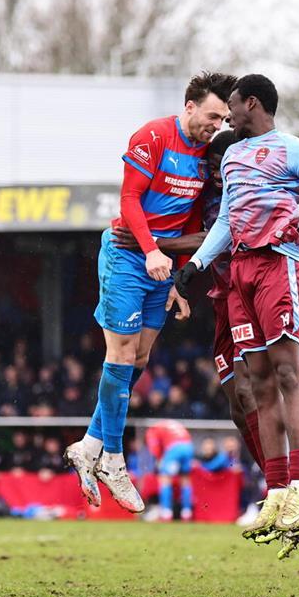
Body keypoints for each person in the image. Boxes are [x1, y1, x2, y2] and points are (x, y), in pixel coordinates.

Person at [174, 74, 299, 558]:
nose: (227, 113)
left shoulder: (295, 151)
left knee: (288, 373)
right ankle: (276, 491)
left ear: (252, 102)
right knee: (256, 383)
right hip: (241, 273)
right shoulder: (232, 155)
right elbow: (230, 219)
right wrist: (195, 264)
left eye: (232, 103)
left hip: (278, 264)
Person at [64, 71, 236, 513]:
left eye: (222, 120)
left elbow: (191, 225)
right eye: (212, 116)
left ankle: (88, 445)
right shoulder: (154, 136)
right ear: (190, 105)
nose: (215, 126)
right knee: (120, 356)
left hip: (160, 266)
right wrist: (149, 251)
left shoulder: (207, 157)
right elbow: (129, 200)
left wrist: (176, 279)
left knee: (139, 359)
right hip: (127, 254)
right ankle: (114, 460)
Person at [113, 130, 265, 477]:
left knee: (251, 389)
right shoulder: (207, 191)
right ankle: (274, 482)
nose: (213, 173)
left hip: (253, 297)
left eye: (218, 165)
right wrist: (177, 279)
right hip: (223, 299)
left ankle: (282, 483)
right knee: (236, 403)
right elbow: (190, 226)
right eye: (208, 165)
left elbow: (214, 239)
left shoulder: (247, 192)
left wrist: (151, 243)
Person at [147, 420, 195, 521]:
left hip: (174, 449)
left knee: (165, 479)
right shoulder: (173, 424)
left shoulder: (152, 430)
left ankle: (166, 512)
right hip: (188, 447)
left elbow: (154, 447)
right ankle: (187, 512)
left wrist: (160, 459)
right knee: (185, 480)